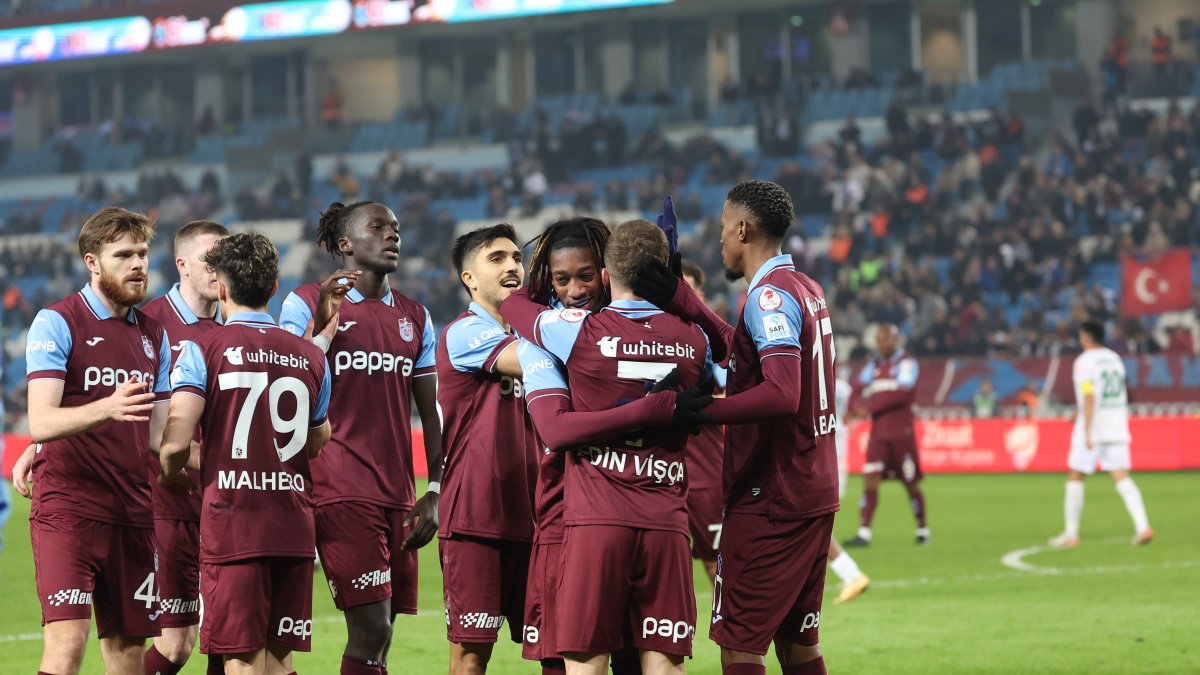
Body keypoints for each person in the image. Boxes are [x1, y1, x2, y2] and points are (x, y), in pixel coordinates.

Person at [632, 180, 840, 675]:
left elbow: (781, 393)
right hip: (813, 487)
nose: (721, 239)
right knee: (798, 643)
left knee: (740, 649)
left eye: (724, 229)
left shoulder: (767, 298)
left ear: (743, 228)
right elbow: (743, 351)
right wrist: (689, 303)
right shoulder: (804, 288)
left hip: (771, 497)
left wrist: (699, 410)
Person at [519, 219, 712, 675]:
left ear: (606, 272)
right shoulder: (692, 337)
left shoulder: (559, 337)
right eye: (561, 279)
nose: (575, 289)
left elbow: (557, 428)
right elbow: (730, 364)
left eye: (585, 275)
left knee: (587, 662)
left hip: (594, 520)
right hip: (596, 519)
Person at [279, 201, 444, 675]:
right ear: (346, 243)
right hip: (338, 489)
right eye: (378, 227)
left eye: (395, 228)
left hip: (397, 494)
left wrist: (433, 489)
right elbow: (286, 387)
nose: (393, 235)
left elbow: (430, 410)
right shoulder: (306, 300)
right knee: (373, 629)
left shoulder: (415, 315)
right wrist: (321, 330)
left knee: (384, 632)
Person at [158, 232, 332, 675]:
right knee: (278, 658)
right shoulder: (312, 357)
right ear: (274, 287)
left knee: (241, 659)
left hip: (236, 525)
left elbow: (176, 441)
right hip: (293, 526)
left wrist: (169, 469)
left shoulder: (203, 348)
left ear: (221, 288)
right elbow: (318, 438)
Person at [13, 207, 174, 675]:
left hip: (132, 513)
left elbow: (159, 438)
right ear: (93, 261)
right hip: (69, 509)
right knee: (67, 648)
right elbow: (40, 422)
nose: (138, 264)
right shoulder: (57, 322)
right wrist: (108, 406)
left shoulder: (154, 336)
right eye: (123, 255)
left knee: (127, 657)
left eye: (143, 253)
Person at [436, 224, 538, 674]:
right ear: (469, 278)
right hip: (477, 518)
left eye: (517, 258)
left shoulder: (535, 334)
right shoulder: (464, 334)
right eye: (497, 259)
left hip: (539, 515)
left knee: (557, 649)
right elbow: (528, 361)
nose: (513, 266)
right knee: (472, 655)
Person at [138, 219, 228, 675]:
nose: (220, 269)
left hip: (225, 507)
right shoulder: (149, 324)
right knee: (175, 643)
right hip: (165, 506)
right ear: (182, 264)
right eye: (210, 258)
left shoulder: (238, 327)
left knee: (229, 638)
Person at [1049, 320, 1153, 548]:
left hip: (1094, 427)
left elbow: (1089, 395)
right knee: (1121, 477)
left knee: (1075, 476)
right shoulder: (1115, 358)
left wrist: (1086, 428)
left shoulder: (1084, 362)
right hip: (1116, 424)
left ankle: (1071, 533)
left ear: (1085, 336)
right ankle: (1143, 526)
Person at [845, 323, 928, 547]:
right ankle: (864, 532)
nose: (882, 343)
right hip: (879, 436)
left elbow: (901, 394)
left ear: (896, 339)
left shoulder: (907, 363)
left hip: (902, 435)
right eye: (879, 339)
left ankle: (922, 529)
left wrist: (868, 407)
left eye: (886, 339)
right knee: (870, 480)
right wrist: (853, 408)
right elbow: (856, 388)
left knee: (910, 483)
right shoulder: (873, 365)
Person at [679, 260, 725, 583]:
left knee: (716, 563)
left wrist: (694, 406)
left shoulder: (713, 343)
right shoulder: (648, 335)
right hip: (659, 477)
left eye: (687, 288)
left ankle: (736, 631)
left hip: (706, 472)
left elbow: (738, 395)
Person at [828, 377, 869, 604]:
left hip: (823, 457)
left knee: (816, 529)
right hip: (839, 455)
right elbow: (851, 413)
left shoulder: (808, 378)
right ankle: (849, 575)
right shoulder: (843, 386)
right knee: (819, 527)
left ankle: (852, 575)